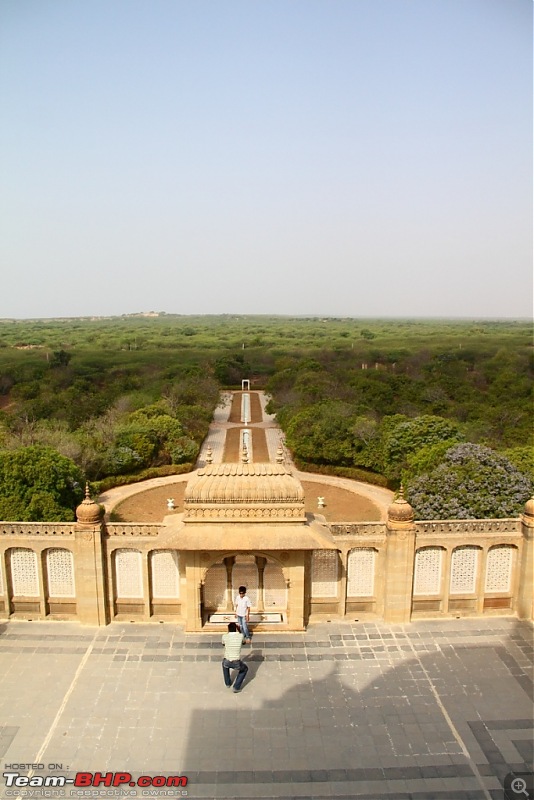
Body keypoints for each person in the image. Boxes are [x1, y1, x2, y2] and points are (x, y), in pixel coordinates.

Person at [221, 621, 248, 693]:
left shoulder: (224, 636)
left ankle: (227, 683)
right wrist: (239, 630)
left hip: (227, 660)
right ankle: (236, 687)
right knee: (245, 669)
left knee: (224, 665)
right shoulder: (240, 636)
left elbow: (223, 644)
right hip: (236, 662)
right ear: (236, 628)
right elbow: (244, 642)